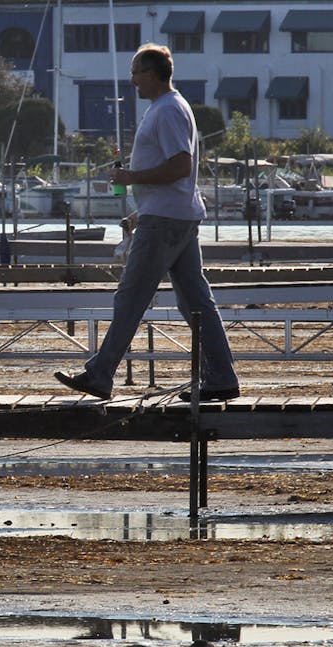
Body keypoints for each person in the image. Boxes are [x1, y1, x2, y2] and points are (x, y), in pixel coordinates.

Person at [54, 44, 240, 402]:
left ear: (152, 74)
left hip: (167, 221)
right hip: (175, 216)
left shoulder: (168, 111)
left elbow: (180, 166)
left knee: (130, 296)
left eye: (136, 72)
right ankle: (221, 378)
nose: (132, 79)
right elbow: (179, 178)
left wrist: (131, 176)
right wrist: (141, 212)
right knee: (197, 303)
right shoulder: (170, 107)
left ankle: (100, 374)